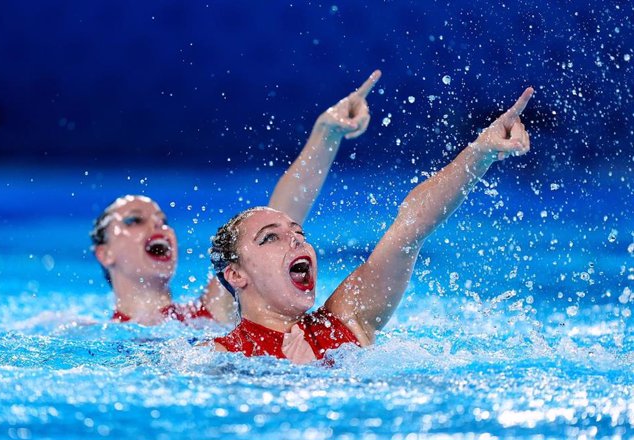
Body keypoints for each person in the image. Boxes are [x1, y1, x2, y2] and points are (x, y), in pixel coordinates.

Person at [209, 86, 534, 363]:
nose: (296, 241)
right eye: (271, 238)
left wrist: (480, 153)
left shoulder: (344, 321)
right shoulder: (217, 357)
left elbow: (409, 228)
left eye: (299, 232)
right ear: (236, 274)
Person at [89, 70, 382, 326]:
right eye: (134, 221)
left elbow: (279, 214)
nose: (158, 228)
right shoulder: (86, 335)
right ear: (104, 253)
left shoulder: (209, 315)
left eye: (163, 221)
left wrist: (326, 134)